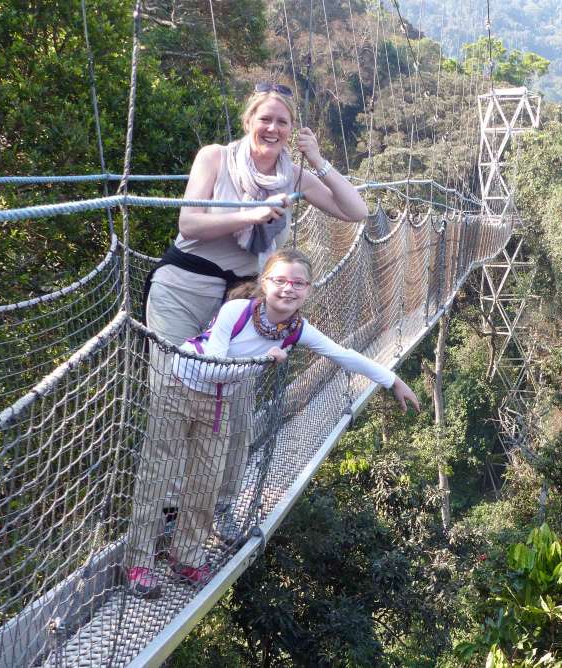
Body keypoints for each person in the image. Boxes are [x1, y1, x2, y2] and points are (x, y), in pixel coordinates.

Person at [135, 83, 368, 588]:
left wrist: (319, 159)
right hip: (182, 289)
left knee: (225, 420)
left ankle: (192, 538)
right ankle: (146, 543)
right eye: (265, 118)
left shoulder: (296, 174)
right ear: (249, 120)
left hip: (240, 304)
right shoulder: (216, 158)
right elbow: (189, 221)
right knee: (171, 406)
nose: (273, 129)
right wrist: (250, 214)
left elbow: (356, 213)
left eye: (283, 122)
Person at [127, 248, 420, 597]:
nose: (288, 289)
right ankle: (139, 564)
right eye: (279, 280)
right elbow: (213, 367)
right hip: (180, 387)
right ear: (264, 283)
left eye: (298, 282)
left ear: (308, 289)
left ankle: (185, 556)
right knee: (157, 474)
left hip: (218, 402)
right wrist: (262, 360)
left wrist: (392, 380)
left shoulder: (296, 330)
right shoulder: (236, 311)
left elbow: (343, 354)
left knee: (206, 480)